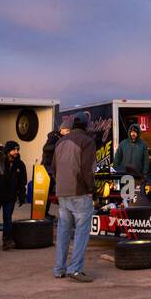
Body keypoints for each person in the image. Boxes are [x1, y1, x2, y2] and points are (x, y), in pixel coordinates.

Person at [52, 112, 96, 282]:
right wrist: (92, 188)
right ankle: (75, 269)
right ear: (87, 125)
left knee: (63, 231)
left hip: (62, 192)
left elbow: (54, 168)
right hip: (80, 192)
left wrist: (61, 185)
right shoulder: (87, 141)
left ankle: (59, 269)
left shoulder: (60, 142)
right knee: (81, 232)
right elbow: (88, 169)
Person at [0, 140, 28, 250]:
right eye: (14, 150)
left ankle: (7, 241)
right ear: (8, 151)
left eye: (17, 150)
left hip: (10, 197)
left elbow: (22, 182)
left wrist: (22, 196)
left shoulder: (20, 165)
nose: (16, 152)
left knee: (7, 218)